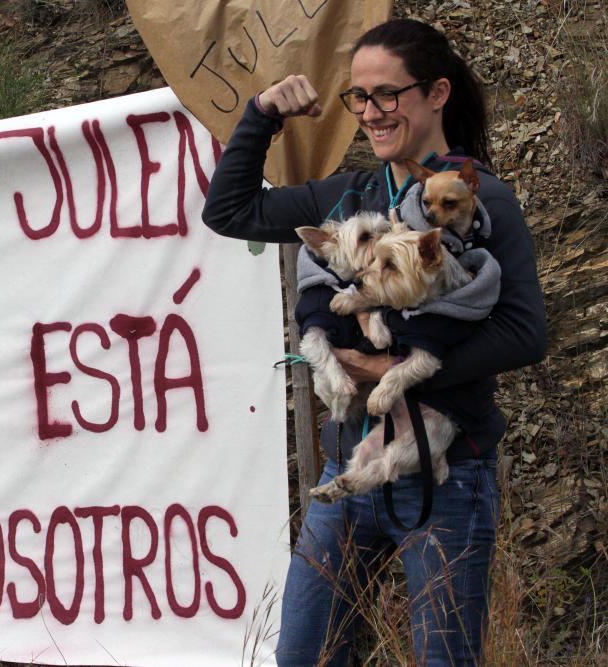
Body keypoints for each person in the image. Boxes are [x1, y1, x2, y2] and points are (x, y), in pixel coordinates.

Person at [201, 18, 547, 666]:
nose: (369, 111)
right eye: (358, 97)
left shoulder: (475, 199)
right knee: (304, 654)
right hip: (347, 466)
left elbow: (526, 330)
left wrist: (398, 367)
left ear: (437, 93)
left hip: (449, 474)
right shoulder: (351, 195)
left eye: (387, 94)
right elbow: (228, 211)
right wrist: (264, 114)